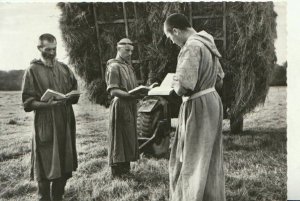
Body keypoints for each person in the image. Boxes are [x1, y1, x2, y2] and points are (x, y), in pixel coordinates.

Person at [164, 14, 226, 201]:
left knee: (192, 155)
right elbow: (220, 81)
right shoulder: (208, 44)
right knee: (209, 155)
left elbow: (184, 87)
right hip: (212, 101)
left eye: (170, 37)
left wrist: (173, 84)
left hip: (197, 106)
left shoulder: (190, 46)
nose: (173, 42)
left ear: (175, 30)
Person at [21, 33, 79, 201]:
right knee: (45, 162)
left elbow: (74, 90)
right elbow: (27, 103)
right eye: (48, 50)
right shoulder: (32, 70)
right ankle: (44, 198)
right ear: (39, 48)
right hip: (45, 123)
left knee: (64, 159)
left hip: (65, 120)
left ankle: (58, 196)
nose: (52, 53)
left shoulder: (64, 68)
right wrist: (47, 105)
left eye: (54, 49)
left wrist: (72, 96)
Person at [105, 38, 140, 178]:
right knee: (119, 138)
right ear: (118, 49)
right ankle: (117, 173)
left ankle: (126, 171)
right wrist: (131, 96)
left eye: (131, 51)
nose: (130, 53)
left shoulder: (128, 67)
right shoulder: (114, 66)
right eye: (127, 50)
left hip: (130, 105)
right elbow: (113, 91)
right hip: (120, 105)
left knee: (128, 136)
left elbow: (133, 88)